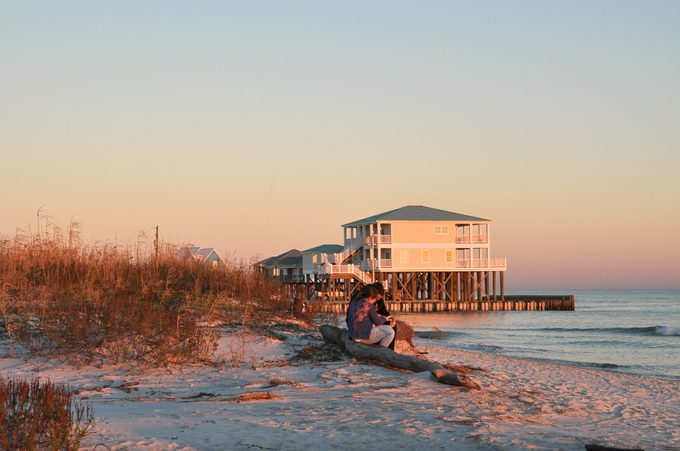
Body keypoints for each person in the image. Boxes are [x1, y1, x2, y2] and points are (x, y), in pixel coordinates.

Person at [370, 282, 397, 350]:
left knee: (394, 327)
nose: (378, 299)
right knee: (387, 329)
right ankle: (379, 348)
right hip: (372, 323)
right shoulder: (368, 301)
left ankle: (390, 351)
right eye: (378, 297)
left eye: (380, 297)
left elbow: (384, 312)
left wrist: (391, 319)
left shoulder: (380, 301)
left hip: (379, 320)